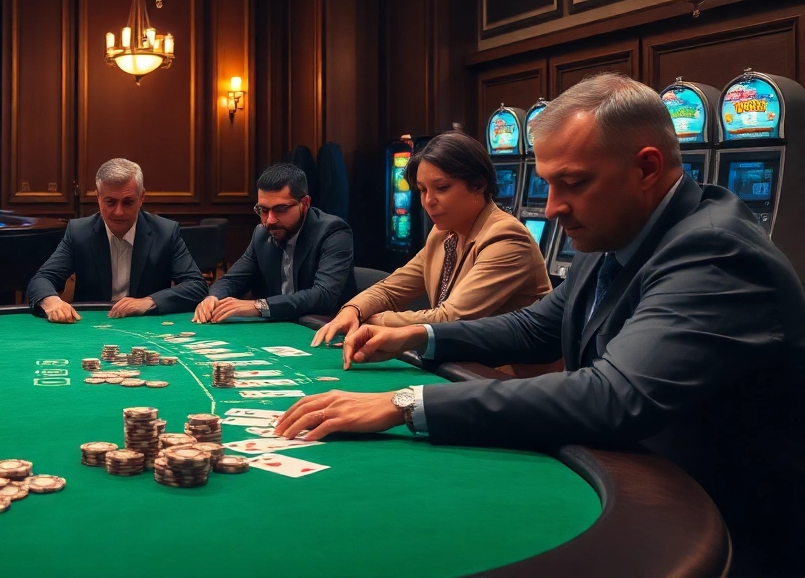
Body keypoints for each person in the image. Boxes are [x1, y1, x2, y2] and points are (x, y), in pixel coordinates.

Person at [274, 74, 805, 576]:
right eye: (548, 183)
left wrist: (405, 402)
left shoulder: (713, 250)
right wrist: (419, 335)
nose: (550, 208)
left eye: (571, 183)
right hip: (632, 474)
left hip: (722, 531)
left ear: (646, 169)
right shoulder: (617, 232)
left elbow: (613, 395)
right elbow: (534, 328)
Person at [311, 131, 551, 341]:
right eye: (423, 190)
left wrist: (374, 321)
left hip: (507, 377)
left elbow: (451, 318)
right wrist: (354, 310)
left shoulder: (506, 237)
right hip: (461, 364)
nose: (428, 202)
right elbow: (391, 289)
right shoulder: (443, 234)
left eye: (442, 188)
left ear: (479, 185)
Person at [27, 158, 208, 322]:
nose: (118, 212)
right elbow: (42, 279)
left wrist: (149, 302)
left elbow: (196, 286)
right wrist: (52, 302)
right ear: (98, 198)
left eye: (128, 202)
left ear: (141, 198)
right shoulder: (78, 232)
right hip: (90, 327)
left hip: (147, 326)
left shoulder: (165, 232)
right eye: (110, 202)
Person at [193, 163, 357, 322]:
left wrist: (259, 306)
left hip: (324, 328)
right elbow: (232, 280)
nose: (269, 220)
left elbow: (323, 295)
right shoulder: (261, 234)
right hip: (278, 327)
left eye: (280, 209)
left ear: (305, 204)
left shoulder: (333, 232)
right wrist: (213, 297)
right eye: (263, 210)